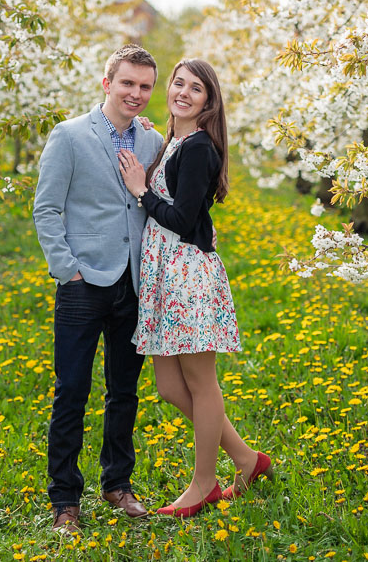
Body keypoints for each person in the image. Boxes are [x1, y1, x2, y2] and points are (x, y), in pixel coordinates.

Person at [116, 59, 272, 518]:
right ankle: (247, 459)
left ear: (209, 100)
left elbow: (183, 220)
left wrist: (141, 191)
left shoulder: (201, 147)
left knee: (202, 383)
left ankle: (205, 482)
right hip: (163, 275)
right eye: (178, 83)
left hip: (187, 275)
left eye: (196, 88)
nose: (183, 92)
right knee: (168, 386)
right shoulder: (176, 141)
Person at [32, 44, 165, 533]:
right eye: (127, 83)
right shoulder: (68, 136)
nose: (136, 93)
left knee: (124, 390)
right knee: (72, 390)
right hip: (83, 283)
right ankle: (65, 499)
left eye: (145, 86)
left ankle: (117, 484)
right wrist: (68, 269)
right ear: (107, 83)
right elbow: (47, 209)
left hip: (134, 282)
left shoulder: (151, 143)